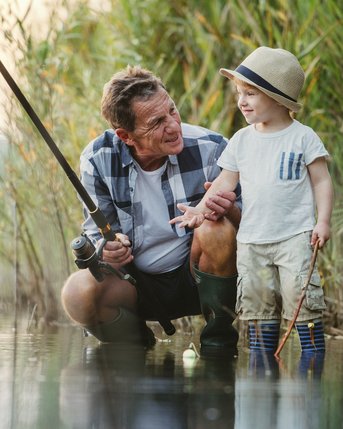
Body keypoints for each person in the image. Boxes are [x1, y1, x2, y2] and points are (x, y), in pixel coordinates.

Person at [61, 65, 241, 356]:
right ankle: (133, 345)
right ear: (126, 136)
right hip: (135, 284)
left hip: (196, 277)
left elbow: (251, 228)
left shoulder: (213, 147)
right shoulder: (97, 158)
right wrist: (107, 249)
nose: (173, 125)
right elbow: (97, 234)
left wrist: (230, 211)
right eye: (157, 122)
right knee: (76, 294)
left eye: (172, 110)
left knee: (216, 228)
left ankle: (218, 345)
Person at [170, 47, 334, 355]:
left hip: (295, 237)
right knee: (257, 306)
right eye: (238, 94)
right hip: (251, 241)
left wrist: (322, 221)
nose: (241, 101)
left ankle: (311, 365)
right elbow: (223, 184)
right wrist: (200, 210)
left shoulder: (303, 137)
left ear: (277, 96)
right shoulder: (242, 140)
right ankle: (261, 369)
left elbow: (322, 181)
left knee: (302, 299)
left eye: (250, 94)